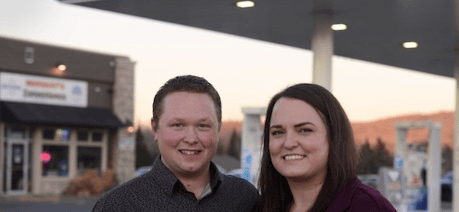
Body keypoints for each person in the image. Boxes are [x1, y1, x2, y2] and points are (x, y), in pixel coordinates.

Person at [93, 75, 258, 212]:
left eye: (203, 126)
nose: (191, 138)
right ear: (155, 129)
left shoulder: (245, 197)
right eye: (178, 125)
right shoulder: (116, 206)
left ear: (218, 129)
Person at [254, 83, 396, 212]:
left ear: (334, 137)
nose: (289, 143)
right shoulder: (261, 208)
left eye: (304, 130)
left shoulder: (367, 207)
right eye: (277, 132)